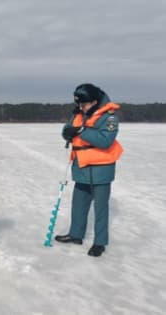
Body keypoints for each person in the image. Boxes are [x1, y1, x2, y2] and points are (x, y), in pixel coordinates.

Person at [55, 83, 123, 257]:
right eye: (79, 104)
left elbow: (105, 140)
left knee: (100, 208)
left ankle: (100, 243)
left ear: (94, 101)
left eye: (84, 104)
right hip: (81, 167)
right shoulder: (78, 112)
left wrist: (82, 131)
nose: (81, 107)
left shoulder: (109, 117)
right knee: (78, 204)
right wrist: (68, 132)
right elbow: (67, 129)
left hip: (100, 170)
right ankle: (76, 234)